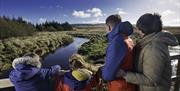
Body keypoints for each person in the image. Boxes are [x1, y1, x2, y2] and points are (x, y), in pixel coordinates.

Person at [117, 13, 179, 91]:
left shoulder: (154, 49)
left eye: (138, 28)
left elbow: (151, 80)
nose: (138, 31)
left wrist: (124, 74)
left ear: (143, 29)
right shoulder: (151, 43)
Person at [102, 14, 137, 91]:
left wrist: (102, 71)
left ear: (109, 27)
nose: (105, 30)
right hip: (128, 84)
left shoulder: (117, 42)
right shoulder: (128, 39)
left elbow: (108, 75)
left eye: (105, 28)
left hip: (120, 86)